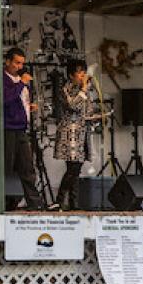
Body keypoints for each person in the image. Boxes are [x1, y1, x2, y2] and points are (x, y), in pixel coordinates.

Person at [51, 60, 99, 210]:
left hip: (82, 133)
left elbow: (86, 110)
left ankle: (74, 203)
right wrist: (84, 90)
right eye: (79, 72)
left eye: (84, 71)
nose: (83, 75)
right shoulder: (65, 88)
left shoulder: (85, 90)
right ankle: (60, 200)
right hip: (70, 134)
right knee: (73, 168)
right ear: (71, 75)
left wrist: (94, 116)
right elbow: (72, 105)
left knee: (76, 170)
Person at [3, 47, 45, 209]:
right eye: (16, 63)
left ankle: (35, 203)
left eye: (22, 63)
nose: (20, 66)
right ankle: (6, 202)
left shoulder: (20, 80)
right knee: (7, 166)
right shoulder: (3, 78)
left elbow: (17, 99)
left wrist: (28, 107)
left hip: (21, 128)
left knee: (27, 166)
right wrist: (21, 83)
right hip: (7, 128)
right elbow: (6, 98)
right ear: (8, 61)